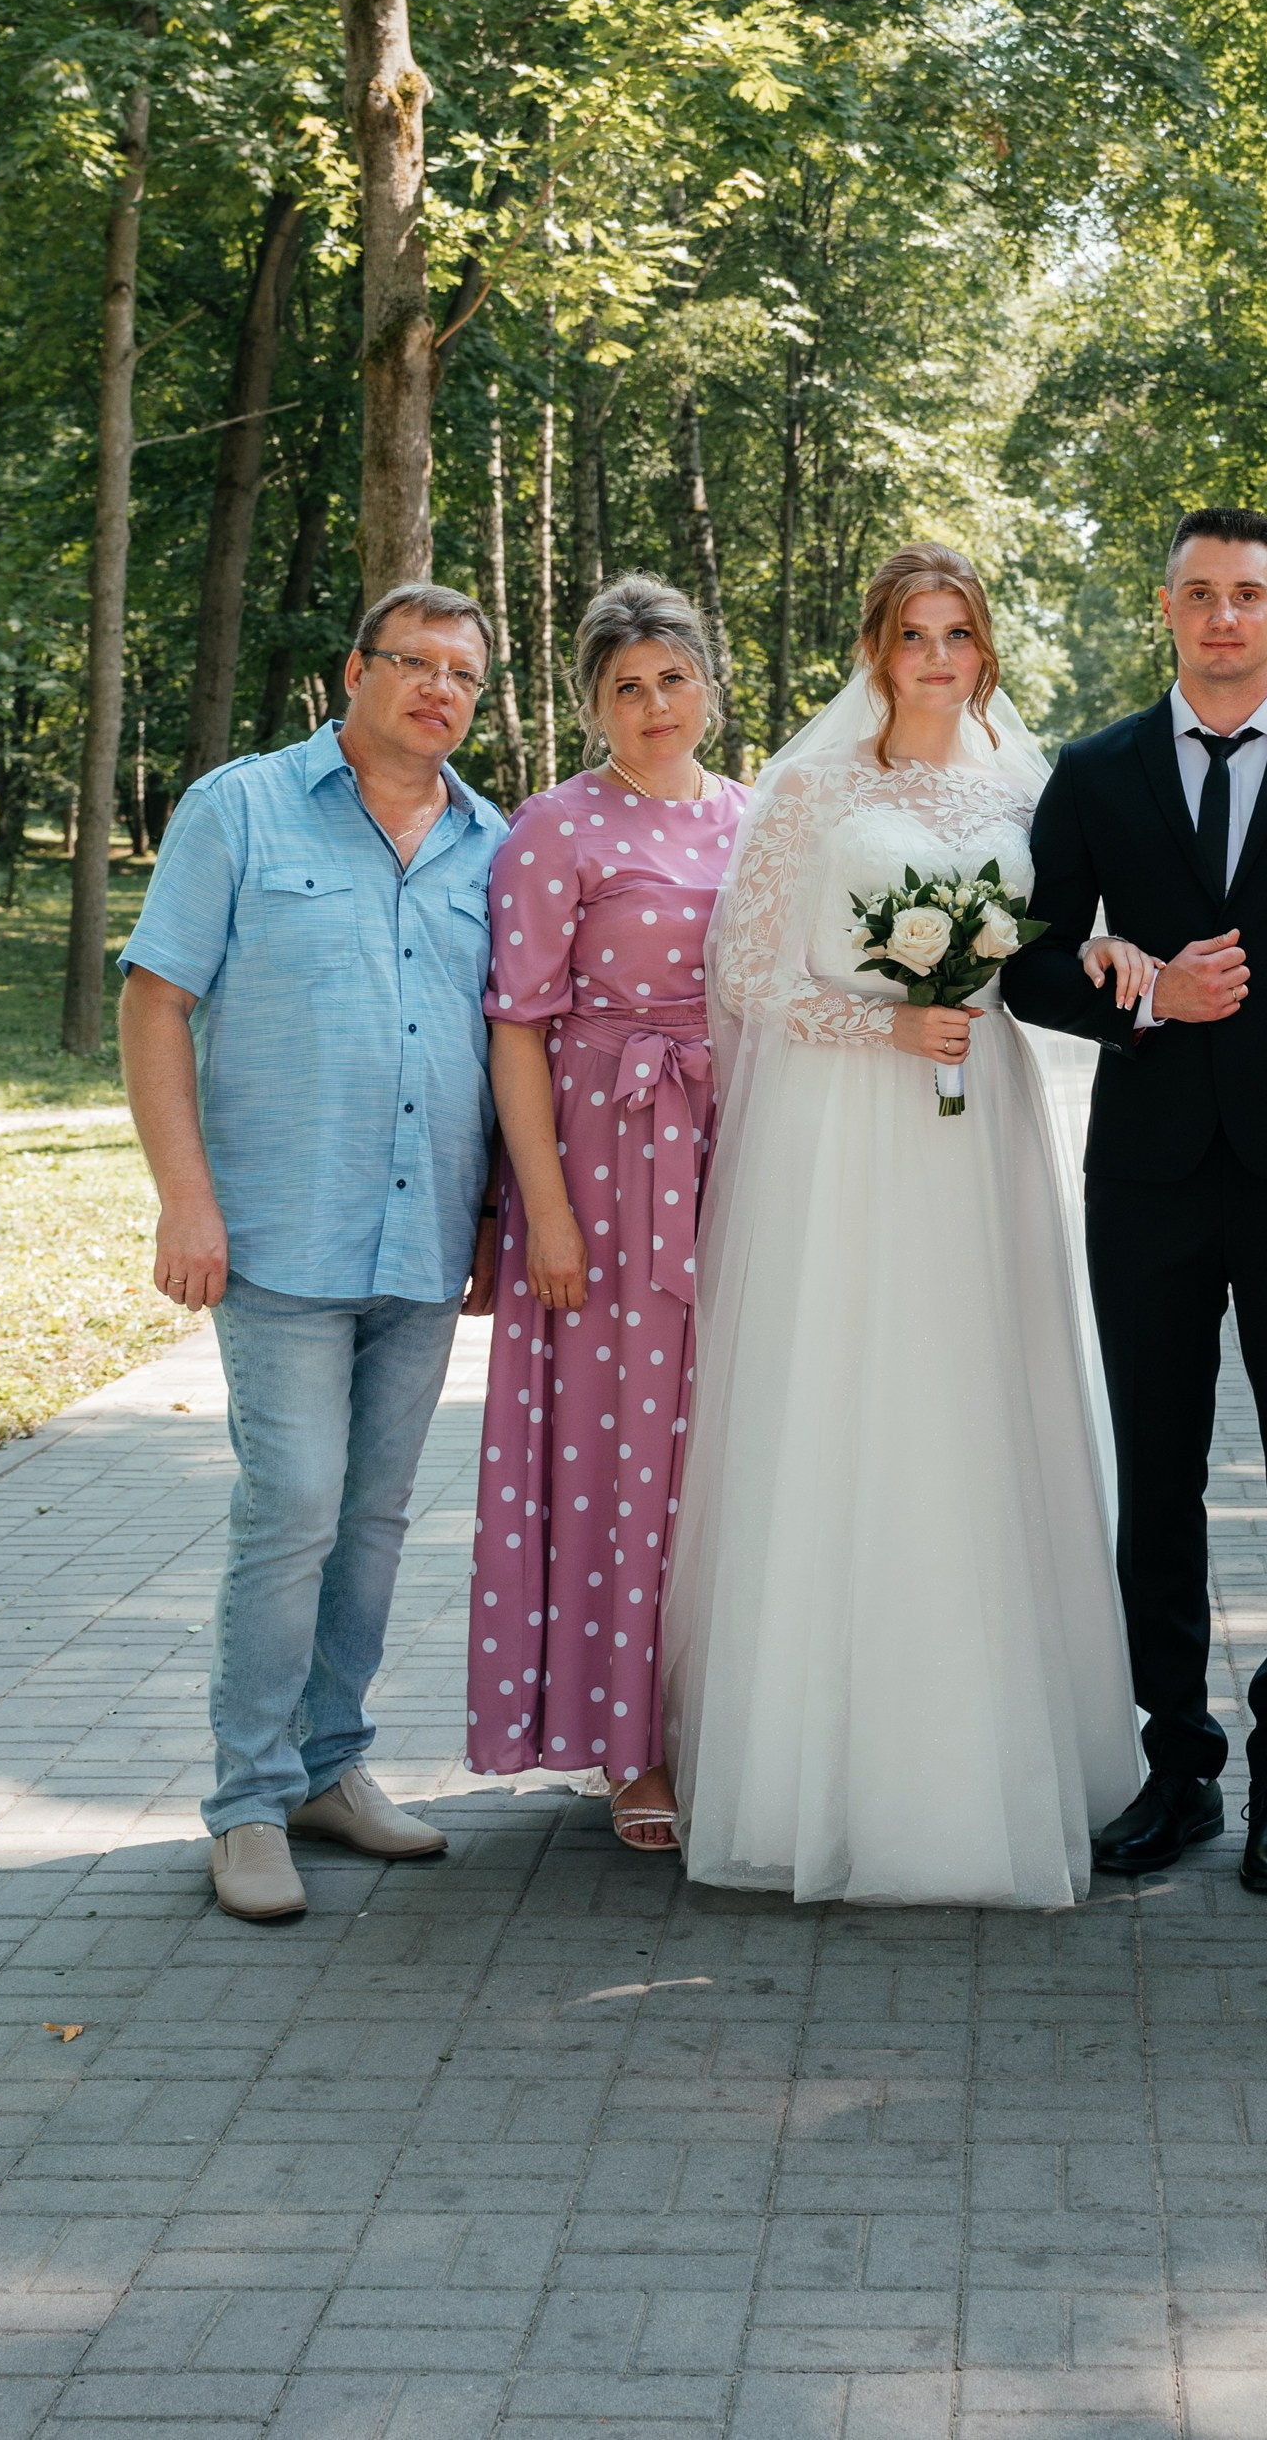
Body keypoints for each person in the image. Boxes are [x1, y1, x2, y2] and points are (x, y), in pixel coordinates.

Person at [665, 547, 1142, 1906]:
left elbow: (1065, 937)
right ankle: (824, 1770)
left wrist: (1101, 955)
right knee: (851, 1397)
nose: (938, 655)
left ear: (986, 647)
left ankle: (1001, 1750)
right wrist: (882, 1023)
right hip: (847, 1127)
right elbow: (748, 972)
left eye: (959, 632)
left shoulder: (1024, 782)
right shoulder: (813, 784)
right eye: (913, 633)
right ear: (876, 646)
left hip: (978, 1115)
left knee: (978, 1399)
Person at [1004, 507, 1267, 1897]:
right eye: (1200, 593)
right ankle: (1176, 1761)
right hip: (1150, 1173)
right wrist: (1145, 996)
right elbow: (1031, 962)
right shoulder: (1099, 766)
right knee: (1162, 1473)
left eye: (1249, 593)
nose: (1225, 615)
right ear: (1167, 608)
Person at [119, 585, 507, 1926]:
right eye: (417, 663)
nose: (441, 691)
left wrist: (501, 1215)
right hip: (278, 1224)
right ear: (357, 669)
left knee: (376, 1516)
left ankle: (332, 1764)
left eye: (465, 674)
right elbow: (156, 998)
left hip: (424, 1231)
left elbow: (509, 1046)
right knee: (291, 1498)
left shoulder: (488, 841)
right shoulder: (241, 807)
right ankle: (244, 1799)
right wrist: (185, 1197)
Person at [465, 575, 750, 1846]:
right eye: (626, 686)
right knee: (626, 1456)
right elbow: (517, 1025)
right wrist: (549, 1215)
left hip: (737, 1155)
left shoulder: (758, 817)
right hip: (604, 1167)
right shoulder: (554, 828)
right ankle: (628, 1748)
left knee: (721, 1457)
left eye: (673, 678)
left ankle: (720, 1719)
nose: (653, 705)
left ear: (710, 686)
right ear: (592, 704)